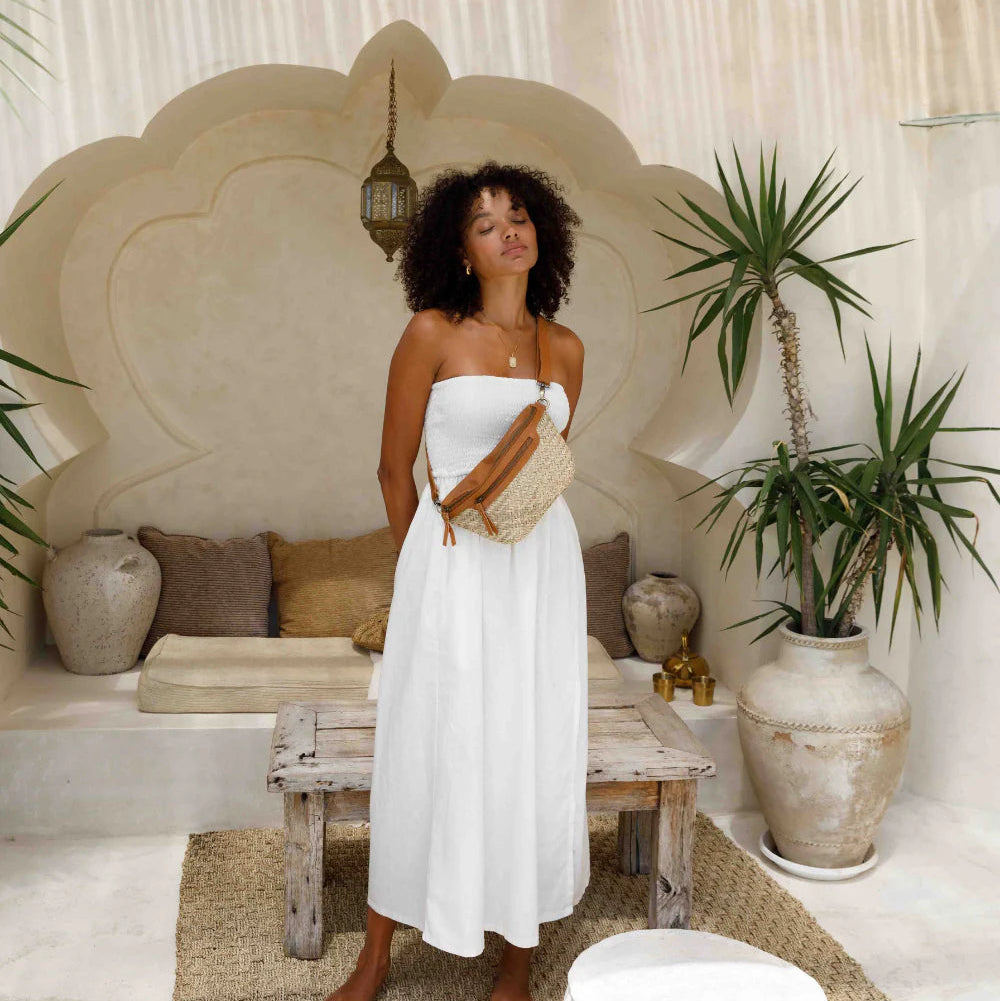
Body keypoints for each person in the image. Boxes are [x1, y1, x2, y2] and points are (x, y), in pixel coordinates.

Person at [326, 161, 587, 1001]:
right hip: (450, 568)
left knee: (532, 744)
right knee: (424, 746)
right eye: (485, 223)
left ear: (540, 232)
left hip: (540, 573)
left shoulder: (567, 349)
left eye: (518, 215)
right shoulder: (431, 333)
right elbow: (391, 469)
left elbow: (544, 470)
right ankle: (375, 957)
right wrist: (424, 566)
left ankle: (518, 956)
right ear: (461, 249)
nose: (508, 229)